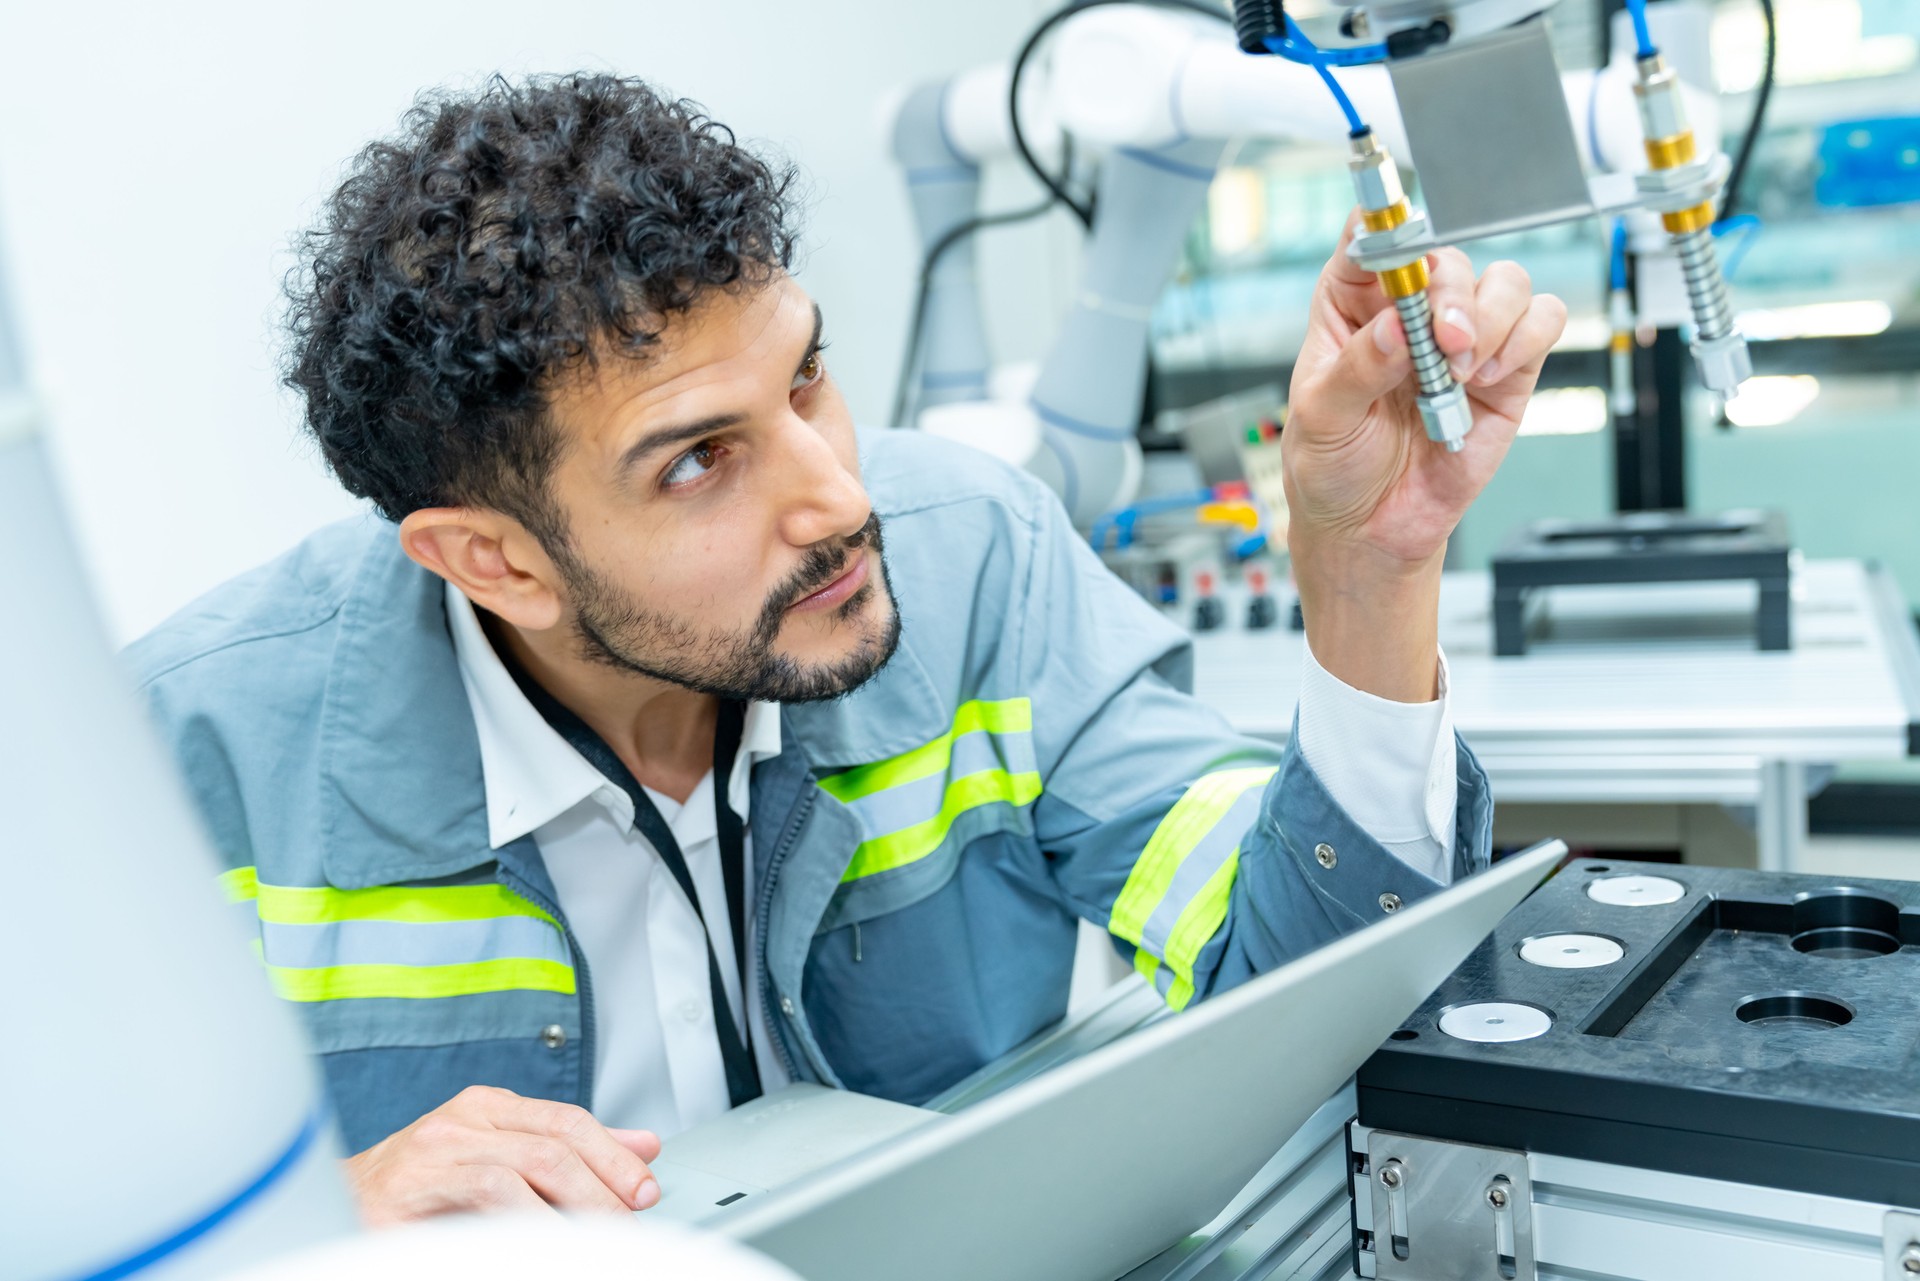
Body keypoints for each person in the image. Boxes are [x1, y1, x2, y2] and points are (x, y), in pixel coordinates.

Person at [128, 73, 1564, 1225]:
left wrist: (1371, 572)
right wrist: (312, 1228)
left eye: (806, 374)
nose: (839, 497)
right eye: (699, 461)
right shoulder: (187, 761)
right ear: (492, 561)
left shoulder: (973, 560)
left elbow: (1306, 1000)